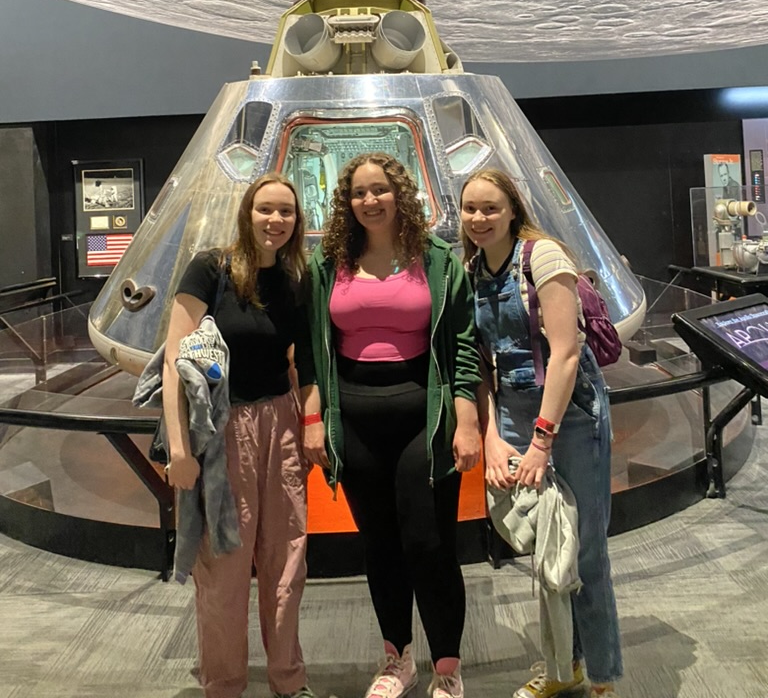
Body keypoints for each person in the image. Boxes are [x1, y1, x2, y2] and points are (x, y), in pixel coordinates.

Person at [296, 152, 482, 698]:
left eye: (379, 190)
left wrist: (466, 420)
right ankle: (396, 658)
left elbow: (464, 346)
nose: (369, 201)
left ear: (400, 194)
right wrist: (313, 420)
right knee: (378, 543)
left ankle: (447, 668)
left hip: (422, 418)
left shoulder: (440, 259)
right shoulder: (328, 264)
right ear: (346, 202)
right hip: (352, 419)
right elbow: (310, 350)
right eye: (358, 192)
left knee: (428, 544)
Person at [460, 169, 622, 698]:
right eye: (470, 209)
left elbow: (566, 354)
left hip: (568, 413)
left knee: (587, 547)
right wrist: (492, 434)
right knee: (548, 543)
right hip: (511, 410)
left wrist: (542, 440)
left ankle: (600, 675)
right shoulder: (472, 270)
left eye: (490, 208)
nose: (479, 219)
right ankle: (562, 665)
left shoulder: (543, 258)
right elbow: (479, 361)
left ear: (512, 211)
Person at [163, 173, 314, 698]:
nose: (275, 220)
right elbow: (174, 360)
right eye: (265, 210)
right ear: (247, 213)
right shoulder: (212, 268)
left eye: (286, 212)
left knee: (287, 559)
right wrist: (181, 450)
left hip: (280, 423)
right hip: (220, 431)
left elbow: (298, 363)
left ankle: (287, 680)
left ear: (297, 221)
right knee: (223, 564)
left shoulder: (294, 282)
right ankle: (223, 684)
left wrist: (308, 426)